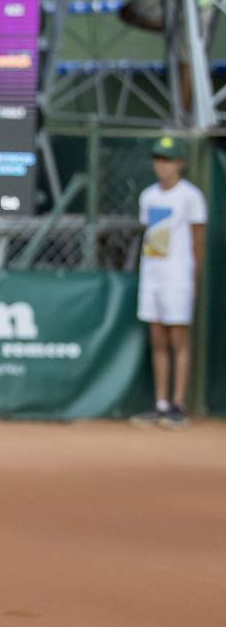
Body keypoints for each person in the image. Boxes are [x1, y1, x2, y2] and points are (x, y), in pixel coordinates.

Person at [130, 136, 207, 429]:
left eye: (167, 159)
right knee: (157, 338)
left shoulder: (191, 196)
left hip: (179, 274)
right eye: (158, 159)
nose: (161, 165)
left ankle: (178, 403)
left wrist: (193, 274)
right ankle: (161, 403)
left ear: (181, 163)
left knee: (178, 339)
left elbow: (198, 238)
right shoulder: (148, 196)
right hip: (152, 275)